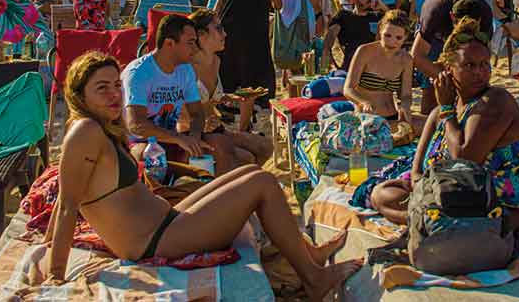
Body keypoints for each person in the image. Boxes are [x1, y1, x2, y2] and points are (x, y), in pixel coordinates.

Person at [44, 51, 361, 295]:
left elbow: (67, 195)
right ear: (79, 94)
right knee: (263, 183)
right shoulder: (85, 131)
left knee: (250, 171)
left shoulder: (98, 128)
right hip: (155, 240)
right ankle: (315, 279)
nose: (115, 94)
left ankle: (311, 253)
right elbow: (68, 204)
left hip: (166, 222)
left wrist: (47, 245)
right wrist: (55, 274)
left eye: (116, 85)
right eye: (102, 88)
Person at [367, 17, 519, 231]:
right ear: (447, 68)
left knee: (445, 208)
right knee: (382, 194)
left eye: (484, 64)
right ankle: (431, 219)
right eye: (469, 65)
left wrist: (446, 108)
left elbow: (464, 159)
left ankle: (432, 221)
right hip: (448, 195)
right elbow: (417, 168)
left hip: (499, 201)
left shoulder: (495, 101)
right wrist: (423, 188)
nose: (479, 72)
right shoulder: (440, 114)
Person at [122, 14, 239, 174]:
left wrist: (194, 137)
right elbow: (136, 125)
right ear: (169, 43)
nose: (195, 48)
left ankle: (216, 194)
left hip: (172, 138)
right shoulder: (139, 73)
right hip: (138, 142)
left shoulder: (185, 70)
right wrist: (179, 139)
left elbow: (196, 114)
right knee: (150, 156)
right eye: (190, 43)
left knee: (220, 145)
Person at [187, 10, 274, 164]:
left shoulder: (216, 61)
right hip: (193, 135)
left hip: (215, 130)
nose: (225, 34)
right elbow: (178, 113)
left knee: (266, 147)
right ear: (201, 35)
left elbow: (211, 100)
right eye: (219, 29)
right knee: (247, 158)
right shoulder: (186, 68)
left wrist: (237, 98)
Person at [214, 0, 286, 101]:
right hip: (254, 28)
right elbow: (278, 5)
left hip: (229, 28)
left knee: (231, 64)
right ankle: (257, 99)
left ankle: (231, 99)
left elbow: (217, 7)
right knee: (256, 62)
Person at [411, 0, 493, 113]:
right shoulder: (435, 13)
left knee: (475, 79)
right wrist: (445, 78)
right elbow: (417, 56)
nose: (463, 29)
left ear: (479, 21)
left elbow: (484, 58)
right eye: (461, 26)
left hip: (463, 29)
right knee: (433, 86)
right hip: (436, 35)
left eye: (469, 26)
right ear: (452, 17)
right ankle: (429, 118)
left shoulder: (485, 14)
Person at [343, 10, 416, 130]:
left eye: (398, 38)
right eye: (387, 35)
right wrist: (363, 102)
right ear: (380, 30)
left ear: (405, 38)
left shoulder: (406, 59)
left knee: (434, 125)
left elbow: (406, 94)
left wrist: (405, 107)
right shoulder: (365, 51)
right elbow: (348, 89)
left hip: (393, 117)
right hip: (366, 118)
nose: (392, 42)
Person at [322, 0, 383, 72]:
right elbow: (327, 44)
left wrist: (383, 7)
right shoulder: (344, 16)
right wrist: (332, 66)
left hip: (372, 70)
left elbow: (399, 23)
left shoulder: (378, 17)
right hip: (348, 69)